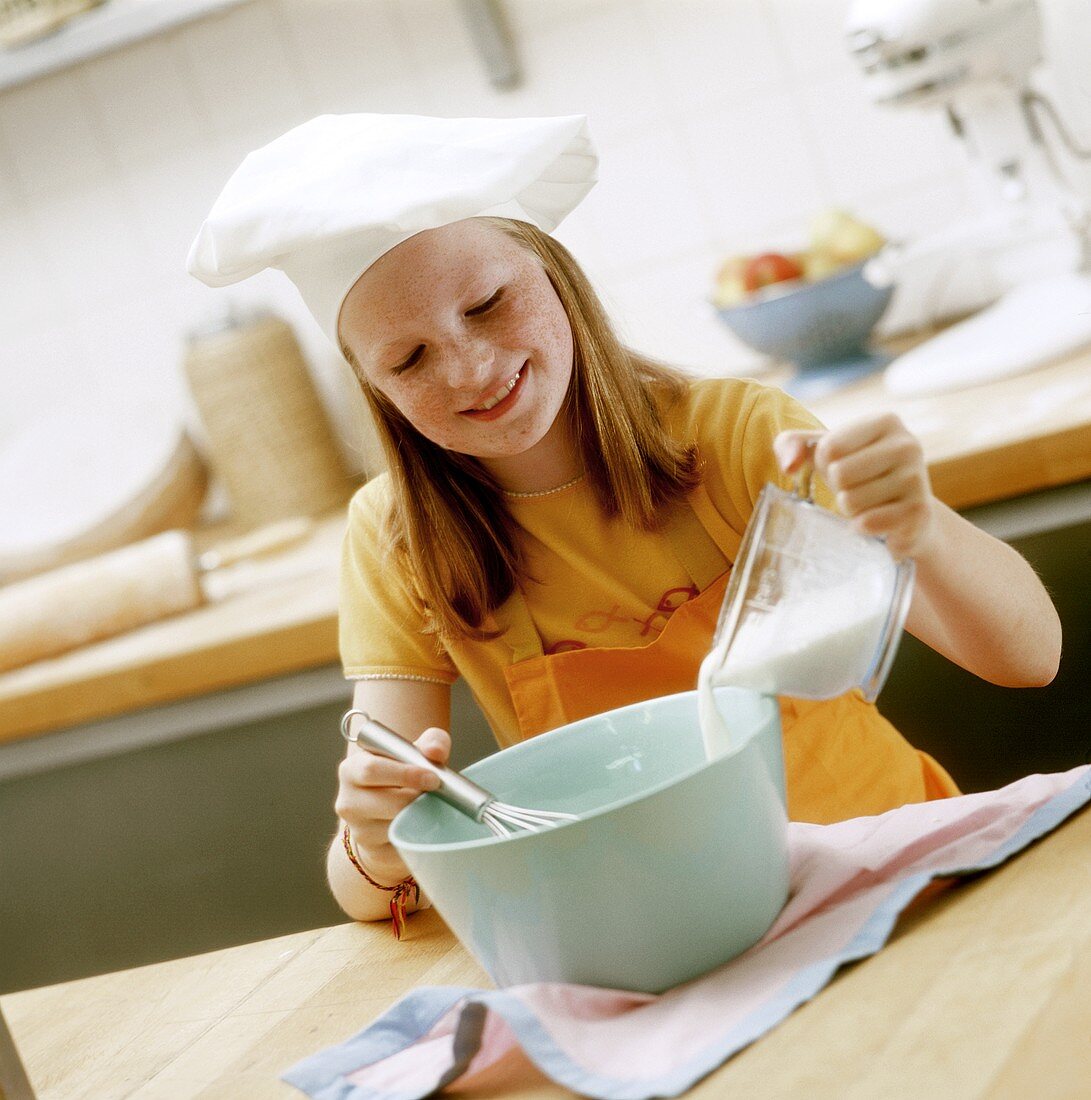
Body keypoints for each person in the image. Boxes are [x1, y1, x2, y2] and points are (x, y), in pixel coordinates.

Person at [190, 114, 1062, 933]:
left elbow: (1027, 659)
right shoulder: (397, 539)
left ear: (555, 275)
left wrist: (922, 531)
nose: (470, 368)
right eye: (409, 358)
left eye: (488, 303)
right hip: (660, 928)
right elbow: (366, 894)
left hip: (892, 875)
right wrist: (376, 837)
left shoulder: (740, 438)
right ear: (374, 387)